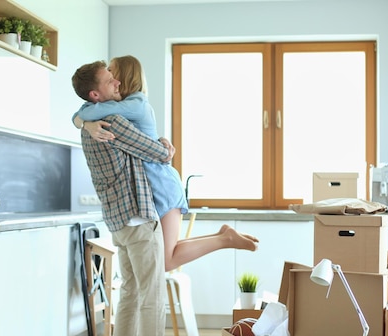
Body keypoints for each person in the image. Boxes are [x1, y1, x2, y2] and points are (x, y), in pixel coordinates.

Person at [73, 56, 259, 273]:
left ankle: (224, 239)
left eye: (113, 73)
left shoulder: (134, 104)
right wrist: (84, 123)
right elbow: (85, 112)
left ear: (124, 77)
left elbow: (85, 111)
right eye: (109, 77)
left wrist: (83, 122)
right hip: (153, 186)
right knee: (165, 255)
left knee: (166, 261)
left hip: (161, 184)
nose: (113, 79)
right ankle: (223, 236)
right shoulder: (125, 106)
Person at [72, 61, 181, 336]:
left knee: (132, 290)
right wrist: (163, 144)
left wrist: (81, 121)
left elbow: (80, 117)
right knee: (151, 292)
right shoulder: (114, 121)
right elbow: (159, 154)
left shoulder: (88, 126)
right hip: (137, 218)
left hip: (117, 222)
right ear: (96, 94)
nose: (116, 83)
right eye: (109, 81)